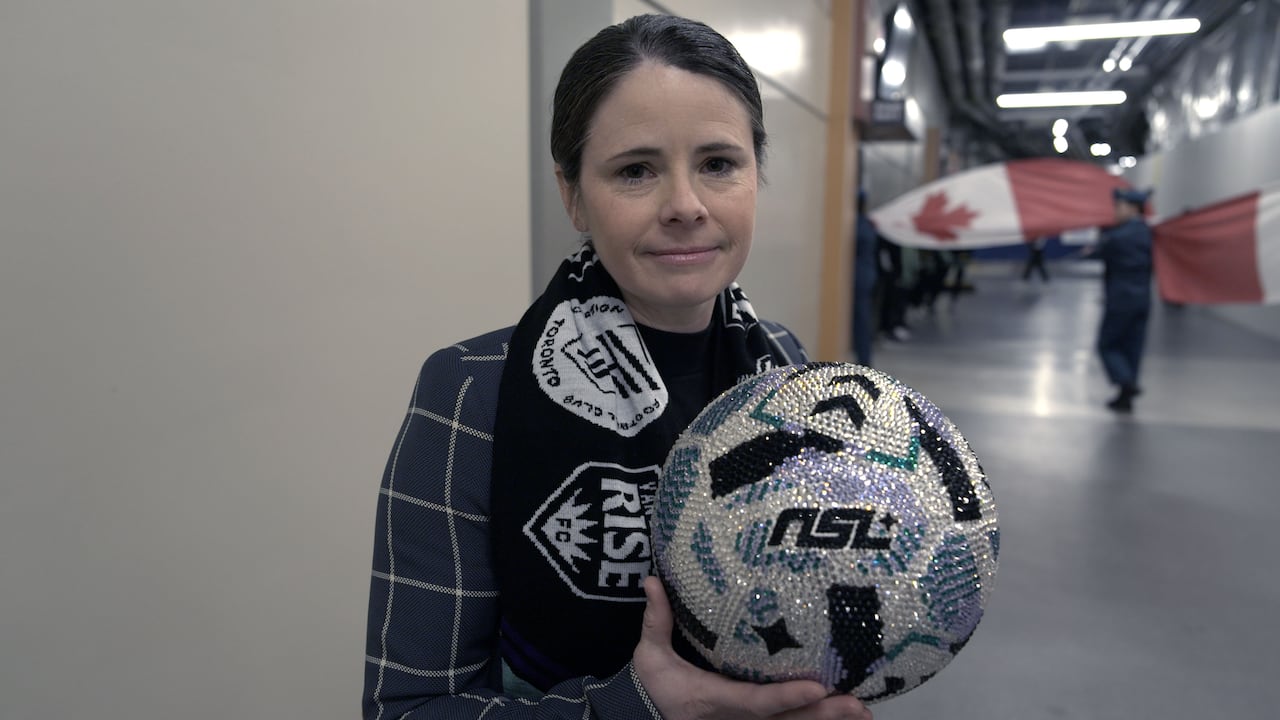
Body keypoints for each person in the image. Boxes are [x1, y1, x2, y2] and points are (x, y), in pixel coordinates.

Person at [361, 14, 873, 720]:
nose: (685, 206)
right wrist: (631, 709)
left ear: (756, 174)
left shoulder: (784, 369)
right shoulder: (472, 392)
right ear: (573, 194)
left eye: (718, 164)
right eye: (636, 170)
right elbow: (406, 710)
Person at [1092, 187, 1153, 412]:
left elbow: (1098, 252)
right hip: (1143, 298)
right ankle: (1125, 397)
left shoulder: (1118, 236)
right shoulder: (1149, 233)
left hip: (1120, 297)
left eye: (1119, 207)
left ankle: (1125, 381)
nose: (1115, 212)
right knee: (1132, 347)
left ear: (1132, 208)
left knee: (1107, 344)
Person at [852, 189, 879, 366]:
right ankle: (864, 357)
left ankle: (864, 359)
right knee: (863, 319)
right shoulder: (867, 224)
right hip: (867, 275)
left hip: (859, 278)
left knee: (861, 320)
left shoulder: (857, 226)